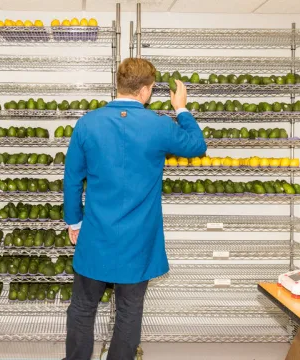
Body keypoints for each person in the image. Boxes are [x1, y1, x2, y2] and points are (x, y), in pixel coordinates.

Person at [63, 58, 207, 360]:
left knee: (82, 307)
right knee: (129, 311)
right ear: (145, 90)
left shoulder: (87, 123)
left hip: (96, 234)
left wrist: (74, 223)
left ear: (119, 84)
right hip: (138, 240)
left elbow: (73, 179)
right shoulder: (159, 125)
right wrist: (181, 107)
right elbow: (197, 145)